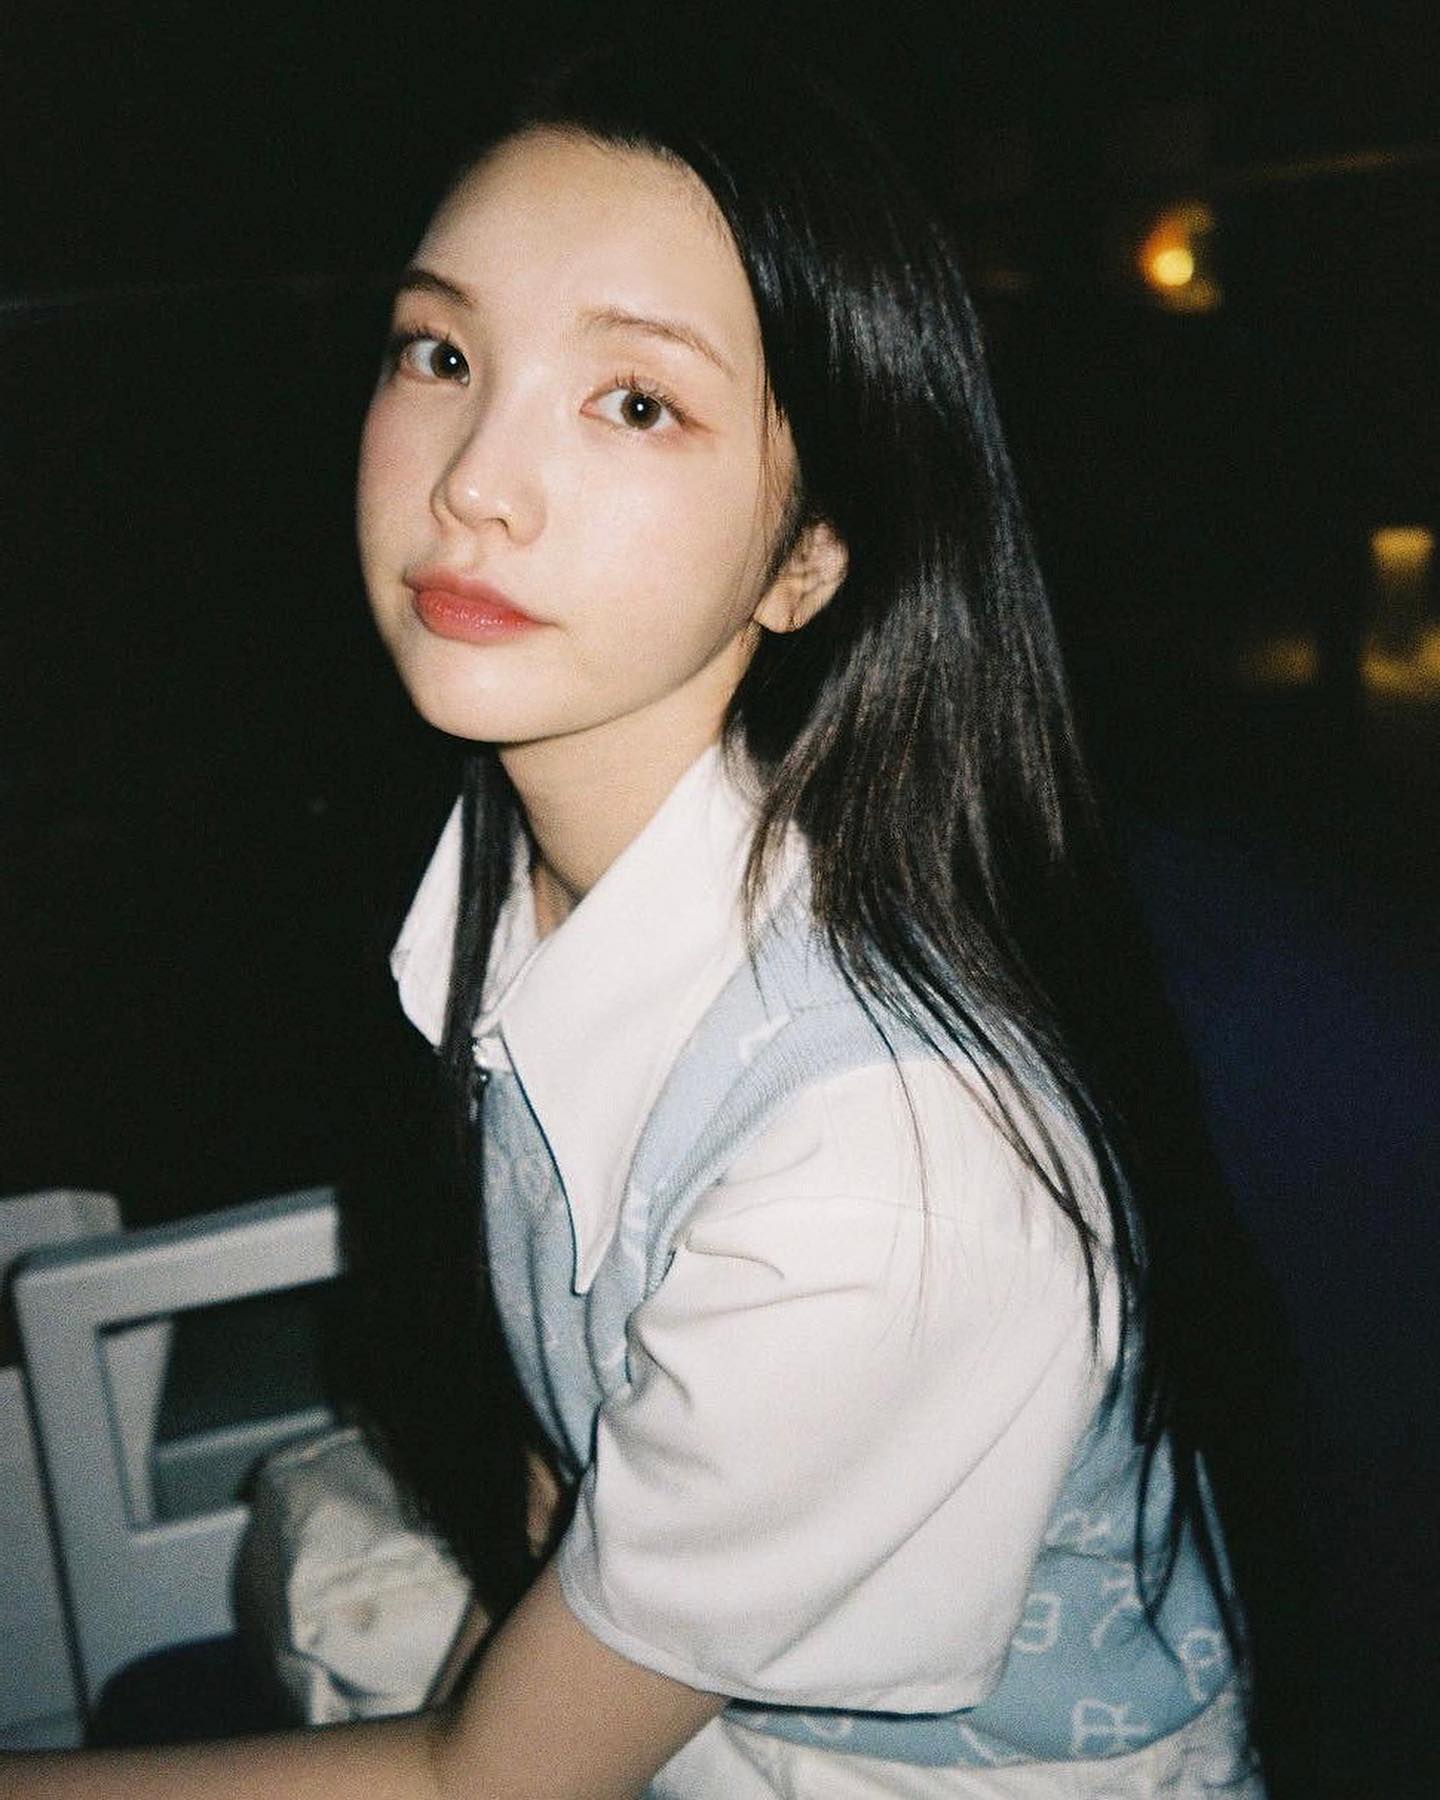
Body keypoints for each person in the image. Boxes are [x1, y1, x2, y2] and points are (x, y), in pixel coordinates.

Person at [4, 29, 1280, 1800]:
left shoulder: (883, 1173)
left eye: (634, 402)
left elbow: (489, 1783)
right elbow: (572, 1436)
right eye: (442, 352)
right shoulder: (540, 864)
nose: (473, 478)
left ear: (809, 552)